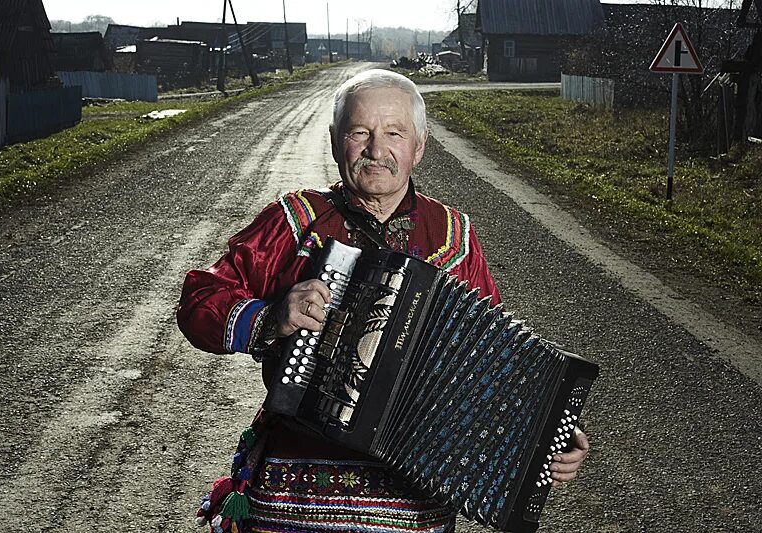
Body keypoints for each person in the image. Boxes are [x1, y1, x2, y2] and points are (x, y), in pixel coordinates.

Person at [177, 69, 589, 533]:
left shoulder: (454, 236)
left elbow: (489, 366)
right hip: (294, 492)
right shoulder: (294, 221)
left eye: (394, 133)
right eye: (360, 133)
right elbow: (198, 300)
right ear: (335, 142)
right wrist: (270, 317)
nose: (377, 150)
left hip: (415, 502)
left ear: (420, 145)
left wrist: (543, 434)